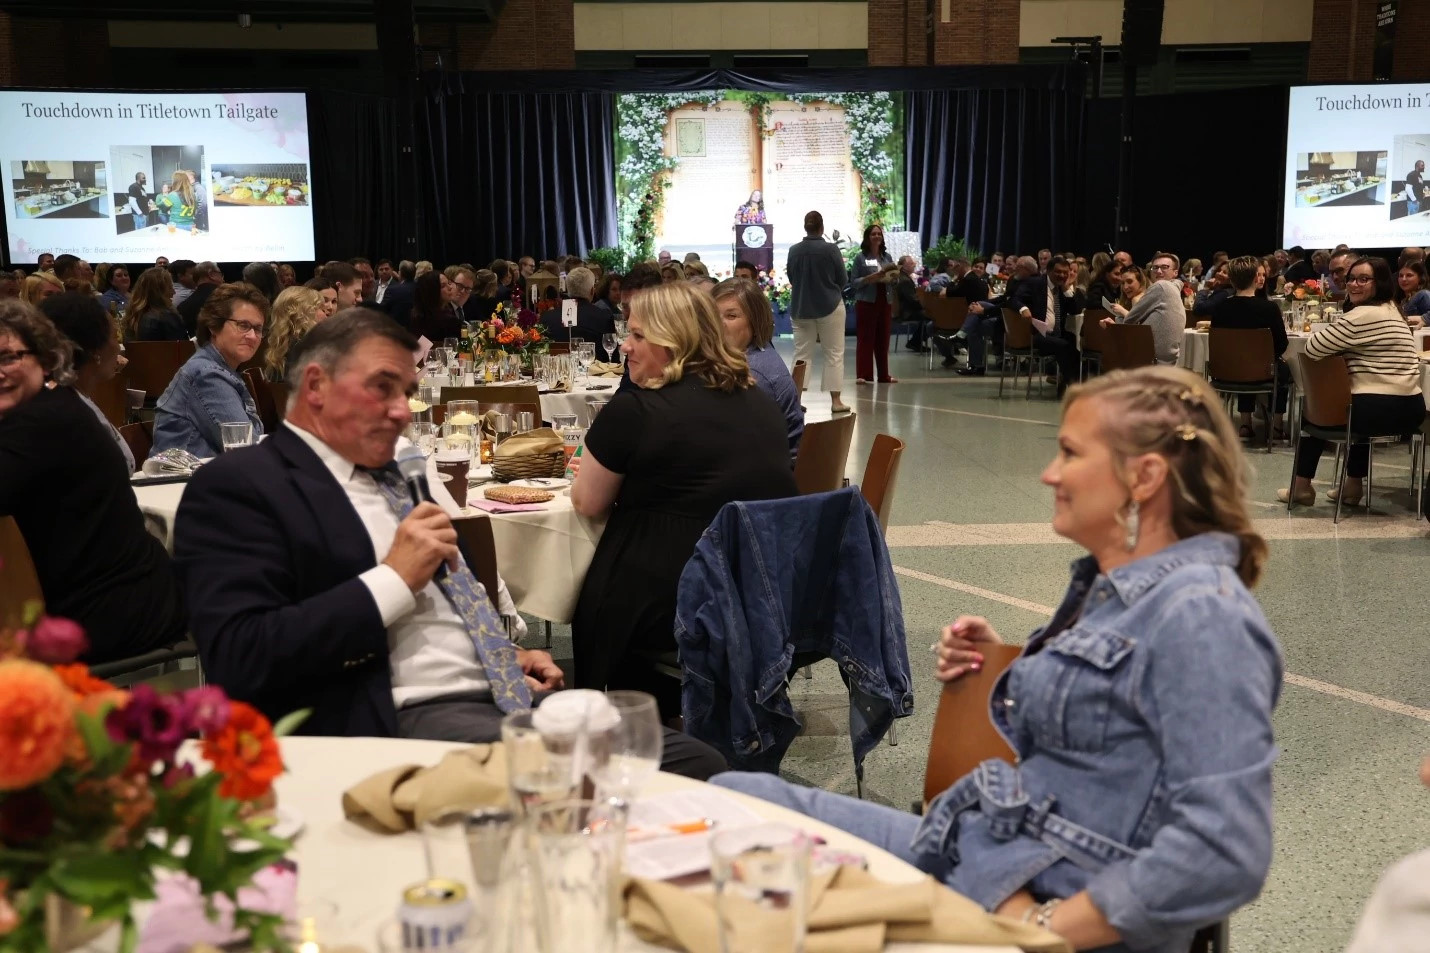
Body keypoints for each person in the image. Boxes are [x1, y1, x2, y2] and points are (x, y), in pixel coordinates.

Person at [714, 366, 1282, 953]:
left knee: (738, 831)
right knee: (735, 796)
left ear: (1145, 476)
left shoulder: (1202, 616)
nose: (1049, 473)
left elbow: (1224, 850)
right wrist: (1007, 667)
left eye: (1069, 453)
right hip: (994, 859)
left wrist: (1040, 927)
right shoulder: (1117, 590)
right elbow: (1114, 730)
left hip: (1037, 895)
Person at [171, 309, 723, 777]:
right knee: (668, 781)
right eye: (382, 388)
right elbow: (241, 656)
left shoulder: (402, 476)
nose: (401, 410)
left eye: (407, 393)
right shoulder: (242, 486)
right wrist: (394, 579)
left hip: (499, 698)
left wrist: (501, 656)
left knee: (698, 761)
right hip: (395, 718)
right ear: (315, 387)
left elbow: (441, 617)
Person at [570, 282, 797, 717]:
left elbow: (587, 503)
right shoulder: (757, 399)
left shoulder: (635, 411)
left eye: (638, 335)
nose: (625, 347)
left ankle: (628, 714)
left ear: (674, 342)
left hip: (675, 603)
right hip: (762, 594)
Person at [0, 299, 185, 662]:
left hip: (112, 612)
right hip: (115, 596)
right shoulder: (48, 408)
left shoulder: (45, 420)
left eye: (10, 357)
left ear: (45, 357)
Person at [1278, 256, 1425, 506]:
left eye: (1363, 279)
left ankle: (1301, 487)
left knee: (1318, 408)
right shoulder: (1394, 310)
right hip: (1413, 410)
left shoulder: (1362, 315)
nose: (1355, 284)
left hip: (1377, 410)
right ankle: (1352, 487)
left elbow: (1313, 348)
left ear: (1379, 282)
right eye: (1352, 279)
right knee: (1358, 398)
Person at [152, 283, 268, 458]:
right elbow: (247, 450)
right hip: (185, 475)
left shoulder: (221, 369)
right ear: (213, 326)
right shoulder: (206, 374)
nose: (252, 336)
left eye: (258, 329)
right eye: (243, 325)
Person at [40, 292, 133, 471]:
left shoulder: (62, 396)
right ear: (95, 350)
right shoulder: (67, 414)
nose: (118, 347)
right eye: (115, 337)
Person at [713, 277, 803, 462]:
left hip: (767, 473)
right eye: (713, 315)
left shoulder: (752, 374)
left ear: (755, 322)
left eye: (731, 316)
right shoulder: (759, 352)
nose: (718, 323)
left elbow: (730, 444)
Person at [1212, 256, 1290, 440]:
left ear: (1232, 280)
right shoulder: (1269, 308)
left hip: (1227, 370)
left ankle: (1245, 423)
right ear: (1256, 278)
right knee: (1282, 370)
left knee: (1244, 363)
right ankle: (1277, 426)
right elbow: (1282, 344)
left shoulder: (1220, 307)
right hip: (1261, 370)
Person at [786, 210, 850, 414]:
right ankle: (836, 401)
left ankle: (796, 400)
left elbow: (792, 278)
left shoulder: (793, 250)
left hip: (801, 308)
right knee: (834, 354)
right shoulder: (831, 249)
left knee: (801, 355)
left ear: (805, 227)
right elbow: (843, 279)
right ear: (822, 228)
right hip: (830, 306)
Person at [1011, 255, 1084, 395]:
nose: (1062, 275)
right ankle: (1072, 387)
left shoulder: (1062, 288)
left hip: (1057, 334)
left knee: (1076, 344)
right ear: (1049, 271)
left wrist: (1067, 289)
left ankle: (1067, 383)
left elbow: (1075, 310)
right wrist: (1023, 309)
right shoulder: (1035, 283)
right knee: (1064, 346)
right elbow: (1013, 300)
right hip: (1037, 334)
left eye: (1065, 272)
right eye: (1058, 272)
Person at [1102, 255, 1183, 365]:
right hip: (1168, 360)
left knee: (1110, 352)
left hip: (1152, 362)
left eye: (1164, 267)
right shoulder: (1174, 288)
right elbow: (1140, 327)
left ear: (1175, 272)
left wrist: (1116, 322)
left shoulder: (1161, 286)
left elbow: (1129, 322)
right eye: (1155, 267)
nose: (1158, 271)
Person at [850, 224, 898, 385]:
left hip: (885, 300)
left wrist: (894, 278)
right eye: (873, 234)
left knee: (883, 339)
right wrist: (870, 278)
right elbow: (853, 282)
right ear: (867, 237)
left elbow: (894, 280)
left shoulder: (887, 257)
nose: (877, 236)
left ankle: (884, 375)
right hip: (866, 302)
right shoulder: (860, 258)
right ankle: (864, 375)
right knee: (865, 338)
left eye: (879, 234)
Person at [264, 286, 326, 382]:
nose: (325, 315)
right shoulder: (309, 349)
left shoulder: (280, 348)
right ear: (305, 313)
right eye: (321, 309)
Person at [540, 266, 613, 342]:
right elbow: (611, 347)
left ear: (568, 290)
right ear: (592, 291)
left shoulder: (547, 318)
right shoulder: (604, 317)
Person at [124, 267, 187, 342]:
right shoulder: (168, 318)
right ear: (158, 292)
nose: (174, 292)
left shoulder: (132, 317)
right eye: (170, 287)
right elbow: (184, 347)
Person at [892, 255, 931, 352]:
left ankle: (916, 341)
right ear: (903, 266)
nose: (914, 265)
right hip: (907, 312)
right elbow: (912, 300)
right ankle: (915, 342)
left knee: (929, 314)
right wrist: (926, 307)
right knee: (933, 315)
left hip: (906, 309)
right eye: (911, 263)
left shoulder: (901, 277)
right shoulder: (905, 280)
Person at [177, 262, 224, 335]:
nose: (223, 279)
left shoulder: (182, 306)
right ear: (211, 275)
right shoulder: (227, 298)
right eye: (220, 274)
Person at [409, 271, 453, 342]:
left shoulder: (448, 311)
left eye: (449, 283)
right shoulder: (421, 320)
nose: (450, 287)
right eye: (443, 286)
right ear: (432, 291)